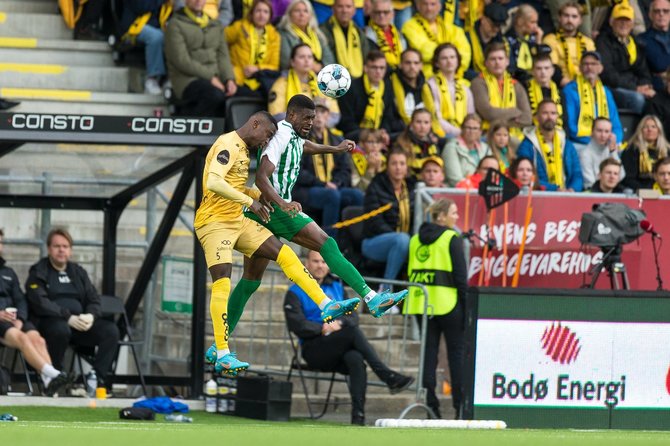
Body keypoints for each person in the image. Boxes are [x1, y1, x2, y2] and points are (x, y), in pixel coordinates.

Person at [220, 96, 407, 346]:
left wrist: (335, 148)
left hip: (263, 213)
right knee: (325, 242)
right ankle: (369, 297)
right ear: (292, 115)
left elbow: (303, 146)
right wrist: (283, 203)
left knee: (250, 282)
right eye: (307, 117)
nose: (312, 122)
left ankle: (219, 345)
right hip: (273, 209)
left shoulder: (292, 135)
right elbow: (262, 178)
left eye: (314, 117)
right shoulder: (281, 136)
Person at [196, 110, 361, 375]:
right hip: (214, 222)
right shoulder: (226, 144)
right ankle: (223, 352)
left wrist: (260, 197)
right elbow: (214, 182)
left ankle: (325, 304)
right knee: (223, 281)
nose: (266, 142)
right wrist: (251, 201)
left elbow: (234, 186)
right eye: (267, 135)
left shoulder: (244, 149)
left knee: (285, 253)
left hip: (237, 220)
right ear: (255, 123)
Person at [284, 250, 414, 426]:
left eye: (323, 261)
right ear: (306, 264)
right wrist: (322, 328)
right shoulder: (295, 291)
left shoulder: (337, 287)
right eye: (315, 261)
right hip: (313, 349)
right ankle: (387, 376)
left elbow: (353, 317)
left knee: (355, 358)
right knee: (352, 332)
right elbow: (297, 325)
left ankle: (358, 416)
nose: (320, 265)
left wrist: (339, 324)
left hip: (338, 343)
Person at [25, 229, 120, 390]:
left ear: (70, 250)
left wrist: (91, 315)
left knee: (111, 330)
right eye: (57, 246)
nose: (61, 250)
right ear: (49, 249)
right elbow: (40, 302)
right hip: (51, 324)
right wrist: (67, 317)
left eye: (65, 246)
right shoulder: (39, 271)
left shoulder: (78, 272)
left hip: (80, 326)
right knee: (61, 329)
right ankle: (55, 376)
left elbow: (93, 298)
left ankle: (96, 378)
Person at [405, 198, 466, 420]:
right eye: (453, 212)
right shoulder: (452, 238)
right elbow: (461, 278)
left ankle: (432, 409)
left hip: (422, 304)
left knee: (428, 358)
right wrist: (467, 308)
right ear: (441, 216)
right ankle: (461, 408)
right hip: (449, 304)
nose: (456, 217)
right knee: (456, 357)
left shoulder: (414, 240)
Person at [0, 229, 68, 396]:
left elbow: (21, 299)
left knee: (38, 339)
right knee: (22, 338)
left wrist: (21, 318)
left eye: (0, 242)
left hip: (16, 320)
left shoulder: (8, 272)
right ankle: (54, 374)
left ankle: (49, 384)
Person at [292, 99, 363, 236]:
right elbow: (298, 172)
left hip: (332, 188)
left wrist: (336, 183)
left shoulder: (336, 139)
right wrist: (323, 184)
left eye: (322, 112)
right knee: (332, 196)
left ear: (328, 116)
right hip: (305, 190)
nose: (318, 116)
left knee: (356, 195)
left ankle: (353, 242)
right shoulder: (300, 138)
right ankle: (328, 244)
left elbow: (345, 170)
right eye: (315, 113)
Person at [164, 0, 237, 117]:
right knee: (214, 95)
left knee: (244, 94)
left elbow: (223, 56)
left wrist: (229, 79)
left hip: (215, 78)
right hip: (186, 80)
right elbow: (181, 61)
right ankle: (188, 125)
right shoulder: (174, 24)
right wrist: (211, 77)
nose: (198, 0)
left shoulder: (215, 24)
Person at [361, 148, 415, 289]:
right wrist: (398, 237)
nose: (398, 167)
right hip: (373, 241)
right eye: (394, 163)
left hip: (403, 240)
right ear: (387, 166)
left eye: (402, 164)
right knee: (402, 240)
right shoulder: (376, 186)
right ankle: (385, 290)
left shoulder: (411, 188)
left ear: (407, 167)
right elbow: (374, 222)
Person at [596, 2, 655, 115]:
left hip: (634, 87)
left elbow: (644, 72)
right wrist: (635, 88)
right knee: (637, 99)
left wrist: (645, 86)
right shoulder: (603, 41)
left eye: (627, 20)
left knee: (656, 99)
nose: (623, 24)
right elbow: (608, 74)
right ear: (611, 22)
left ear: (632, 24)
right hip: (612, 88)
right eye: (619, 20)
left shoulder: (635, 43)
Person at [470, 42, 532, 143]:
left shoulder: (516, 85)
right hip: (487, 136)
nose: (497, 62)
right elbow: (489, 113)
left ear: (507, 62)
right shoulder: (478, 83)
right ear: (485, 63)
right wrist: (514, 112)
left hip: (513, 136)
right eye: (493, 59)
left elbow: (527, 118)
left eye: (500, 58)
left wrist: (499, 118)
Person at [337, 51, 405, 143]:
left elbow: (388, 116)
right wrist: (368, 134)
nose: (378, 71)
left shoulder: (387, 87)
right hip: (355, 134)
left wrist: (382, 132)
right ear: (365, 68)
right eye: (374, 67)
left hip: (378, 133)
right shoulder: (351, 88)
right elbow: (346, 121)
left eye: (382, 68)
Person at [517, 99, 584, 191]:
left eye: (553, 113)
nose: (549, 117)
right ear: (536, 117)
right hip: (540, 195)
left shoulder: (567, 144)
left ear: (557, 116)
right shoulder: (527, 145)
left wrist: (572, 190)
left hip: (567, 195)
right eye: (545, 113)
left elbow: (577, 173)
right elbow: (527, 176)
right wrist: (554, 190)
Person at [268, 44, 340, 126]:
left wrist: (318, 124)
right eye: (302, 57)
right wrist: (306, 124)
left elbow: (335, 114)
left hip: (320, 132)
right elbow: (276, 115)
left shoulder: (322, 83)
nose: (306, 60)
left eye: (310, 57)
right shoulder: (281, 84)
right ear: (292, 62)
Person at [563, 51, 624, 148]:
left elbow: (615, 124)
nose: (589, 67)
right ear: (580, 68)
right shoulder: (570, 90)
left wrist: (615, 138)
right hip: (580, 143)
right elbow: (571, 126)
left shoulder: (605, 92)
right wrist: (593, 140)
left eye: (593, 64)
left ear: (601, 68)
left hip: (605, 142)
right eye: (586, 64)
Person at [401, 0, 471, 77]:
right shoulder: (409, 26)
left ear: (439, 6)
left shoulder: (453, 29)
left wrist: (450, 68)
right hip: (427, 76)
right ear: (418, 6)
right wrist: (450, 60)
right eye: (425, 4)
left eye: (433, 4)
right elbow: (424, 51)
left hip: (456, 76)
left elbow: (465, 55)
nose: (429, 8)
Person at [225, 0, 280, 97]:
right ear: (252, 13)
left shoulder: (274, 35)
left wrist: (257, 68)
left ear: (270, 15)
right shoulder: (239, 26)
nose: (261, 15)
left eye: (265, 12)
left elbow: (274, 66)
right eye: (258, 11)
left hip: (259, 80)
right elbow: (221, 42)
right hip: (237, 77)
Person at [390, 49, 444, 137]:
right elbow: (390, 119)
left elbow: (434, 116)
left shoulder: (427, 87)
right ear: (400, 65)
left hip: (427, 133)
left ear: (421, 66)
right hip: (400, 133)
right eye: (408, 63)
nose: (412, 67)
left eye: (416, 63)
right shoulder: (391, 85)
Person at [120, 0, 171, 95]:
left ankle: (169, 79)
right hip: (134, 26)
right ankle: (152, 79)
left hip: (157, 26)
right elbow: (142, 7)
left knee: (175, 35)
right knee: (156, 37)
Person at [543, 1, 596, 87]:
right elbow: (552, 68)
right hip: (561, 86)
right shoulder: (550, 40)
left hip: (586, 86)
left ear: (580, 21)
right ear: (559, 18)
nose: (569, 20)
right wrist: (572, 87)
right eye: (566, 16)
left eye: (574, 17)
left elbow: (594, 67)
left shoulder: (588, 42)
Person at [429, 43, 475, 139]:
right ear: (437, 63)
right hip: (442, 133)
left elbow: (471, 116)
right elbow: (436, 118)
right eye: (444, 58)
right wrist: (460, 132)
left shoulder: (465, 88)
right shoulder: (431, 85)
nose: (449, 61)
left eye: (452, 57)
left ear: (458, 61)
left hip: (464, 132)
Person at [277, 0, 334, 72]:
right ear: (290, 14)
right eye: (297, 11)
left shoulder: (318, 34)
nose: (302, 14)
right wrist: (311, 66)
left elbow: (330, 60)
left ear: (310, 15)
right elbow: (285, 62)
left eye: (305, 11)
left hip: (321, 75)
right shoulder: (283, 34)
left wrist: (320, 67)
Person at [320, 0, 370, 79]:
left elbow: (366, 55)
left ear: (354, 11)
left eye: (348, 7)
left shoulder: (358, 31)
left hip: (358, 79)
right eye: (340, 6)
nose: (344, 10)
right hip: (334, 79)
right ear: (333, 9)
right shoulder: (323, 31)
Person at [621, 114, 670, 190]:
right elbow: (628, 178)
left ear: (659, 130)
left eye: (653, 127)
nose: (649, 129)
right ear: (640, 130)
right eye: (645, 127)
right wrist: (648, 190)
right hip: (639, 190)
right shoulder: (631, 150)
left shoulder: (668, 150)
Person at [442, 114, 492, 187]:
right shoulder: (451, 147)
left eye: (475, 128)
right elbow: (455, 179)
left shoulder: (486, 148)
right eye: (468, 128)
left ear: (480, 131)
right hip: (458, 192)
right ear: (462, 129)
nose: (471, 131)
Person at [578, 117, 625, 189]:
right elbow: (590, 183)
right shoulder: (585, 154)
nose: (603, 135)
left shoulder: (611, 152)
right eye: (599, 131)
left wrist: (612, 151)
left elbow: (621, 175)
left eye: (607, 131)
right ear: (592, 132)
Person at [394, 108, 442, 176]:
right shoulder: (402, 144)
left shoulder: (433, 146)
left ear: (431, 125)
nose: (422, 126)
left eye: (426, 122)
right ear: (411, 124)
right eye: (418, 122)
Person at [466, 2, 508, 77]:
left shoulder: (502, 42)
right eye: (492, 25)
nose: (496, 29)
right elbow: (464, 69)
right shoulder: (467, 38)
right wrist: (485, 77)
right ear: (483, 19)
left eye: (499, 26)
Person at [506, 4, 544, 83]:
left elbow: (543, 63)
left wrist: (539, 43)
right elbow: (511, 68)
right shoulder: (508, 40)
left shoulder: (534, 39)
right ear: (520, 21)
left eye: (536, 22)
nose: (536, 26)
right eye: (532, 22)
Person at [364, 0, 407, 71]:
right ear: (371, 14)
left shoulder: (400, 35)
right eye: (377, 12)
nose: (382, 15)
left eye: (386, 12)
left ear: (392, 14)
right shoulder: (365, 34)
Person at [639, 0, 670, 90]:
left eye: (666, 11)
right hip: (657, 86)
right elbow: (658, 64)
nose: (661, 14)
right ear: (650, 15)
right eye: (657, 11)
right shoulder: (642, 40)